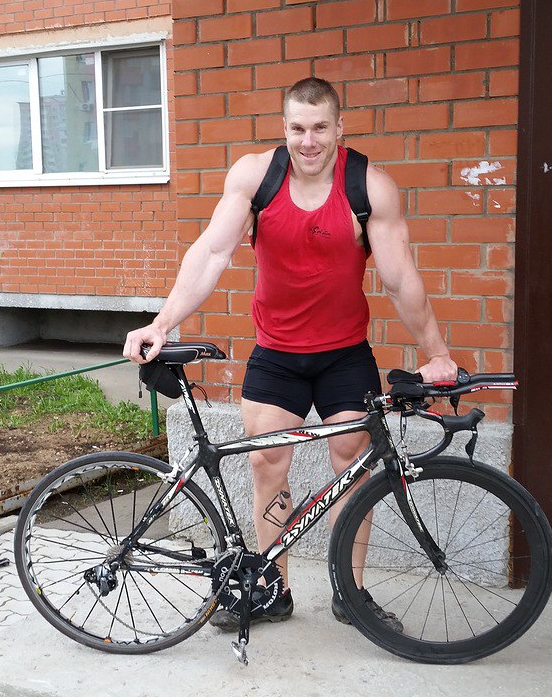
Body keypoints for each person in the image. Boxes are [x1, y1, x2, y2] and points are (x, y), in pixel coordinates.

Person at [123, 77, 457, 632]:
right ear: (284, 128)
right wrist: (161, 323)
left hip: (344, 355)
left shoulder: (368, 186)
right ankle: (271, 589)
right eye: (298, 128)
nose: (309, 141)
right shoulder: (256, 178)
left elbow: (401, 279)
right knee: (266, 462)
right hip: (276, 354)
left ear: (339, 127)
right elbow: (211, 253)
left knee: (353, 466)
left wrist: (438, 354)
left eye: (320, 127)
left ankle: (350, 591)